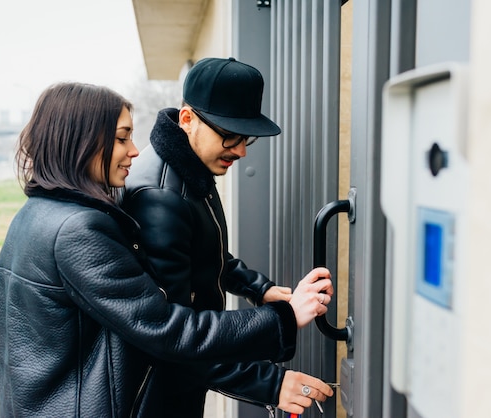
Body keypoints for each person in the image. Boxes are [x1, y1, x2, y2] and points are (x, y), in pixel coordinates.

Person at [0, 81, 334, 417]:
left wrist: (259, 289)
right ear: (79, 140)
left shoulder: (38, 213)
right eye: (122, 137)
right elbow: (166, 329)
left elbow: (203, 260)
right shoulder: (80, 229)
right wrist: (283, 321)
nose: (134, 150)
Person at [123, 57, 333, 417]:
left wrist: (257, 287)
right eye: (230, 136)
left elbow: (205, 250)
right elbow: (175, 337)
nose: (241, 151)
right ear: (187, 120)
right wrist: (270, 383)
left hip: (183, 377)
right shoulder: (160, 200)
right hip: (158, 392)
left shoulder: (188, 165)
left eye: (246, 137)